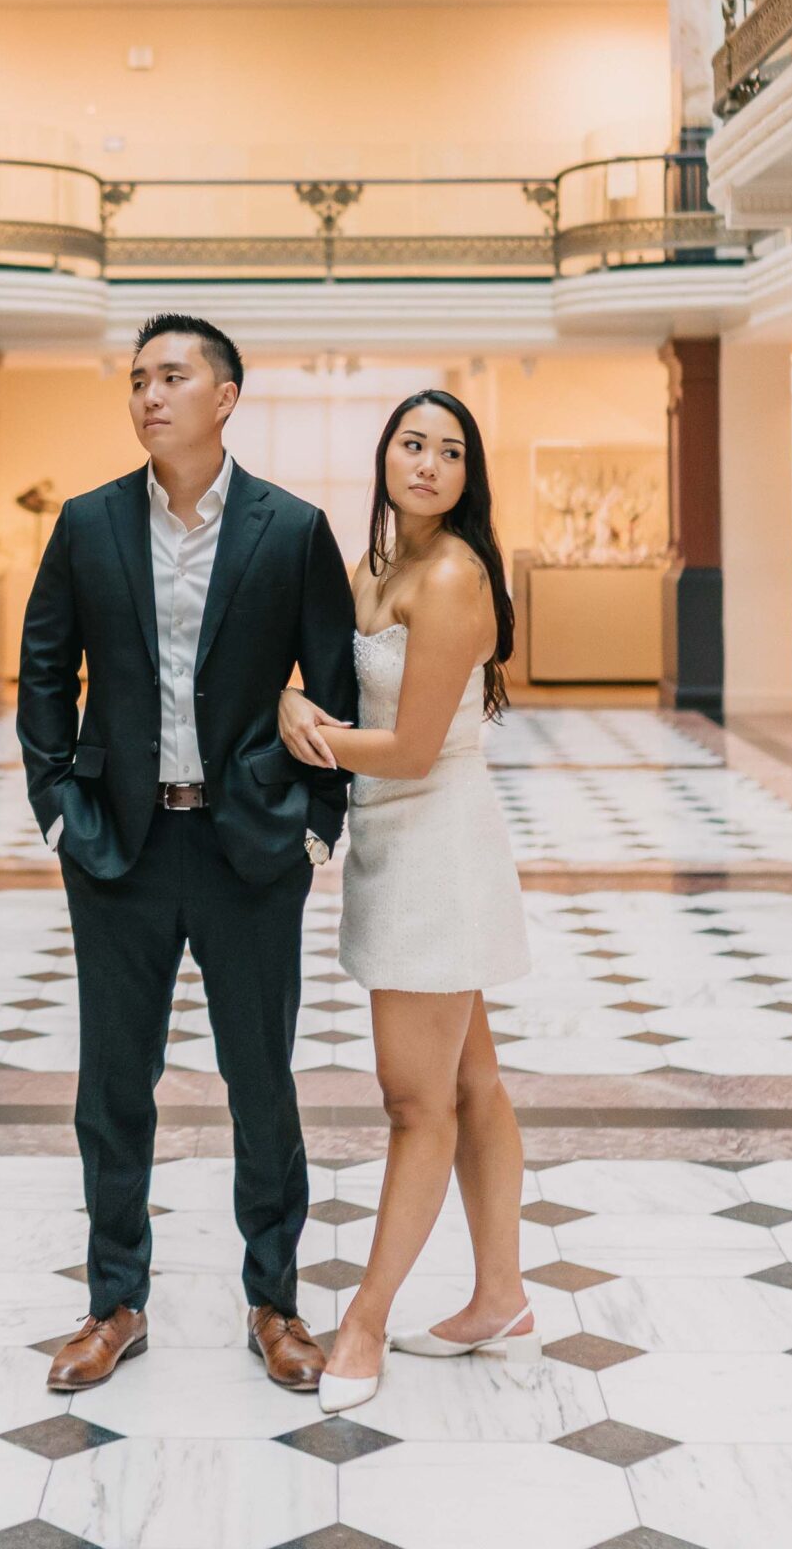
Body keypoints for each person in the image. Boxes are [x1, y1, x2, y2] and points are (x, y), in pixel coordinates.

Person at [17, 311, 358, 1397]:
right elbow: (42, 671)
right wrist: (58, 809)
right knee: (113, 1084)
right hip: (119, 842)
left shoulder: (291, 528)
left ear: (225, 395)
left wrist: (317, 824)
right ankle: (115, 1302)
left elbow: (336, 684)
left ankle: (277, 1302)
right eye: (137, 379)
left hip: (246, 845)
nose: (149, 395)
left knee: (259, 1080)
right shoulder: (85, 525)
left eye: (172, 376)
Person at [279, 389, 535, 1415]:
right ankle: (502, 1297)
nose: (427, 462)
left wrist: (308, 731)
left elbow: (418, 747)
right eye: (411, 442)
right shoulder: (375, 566)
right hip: (395, 841)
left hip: (438, 849)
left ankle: (365, 1320)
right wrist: (294, 699)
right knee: (472, 1081)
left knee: (414, 1100)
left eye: (450, 451)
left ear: (470, 476)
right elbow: (330, 683)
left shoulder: (455, 573)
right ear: (386, 453)